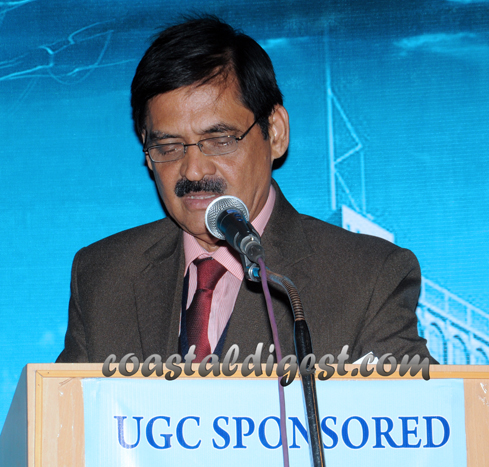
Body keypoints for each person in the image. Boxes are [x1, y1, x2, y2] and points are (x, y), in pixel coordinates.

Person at [56, 16, 435, 365]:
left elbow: (426, 413)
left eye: (219, 140)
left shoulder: (367, 278)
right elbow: (62, 414)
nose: (193, 170)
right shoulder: (103, 277)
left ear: (276, 132)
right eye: (168, 147)